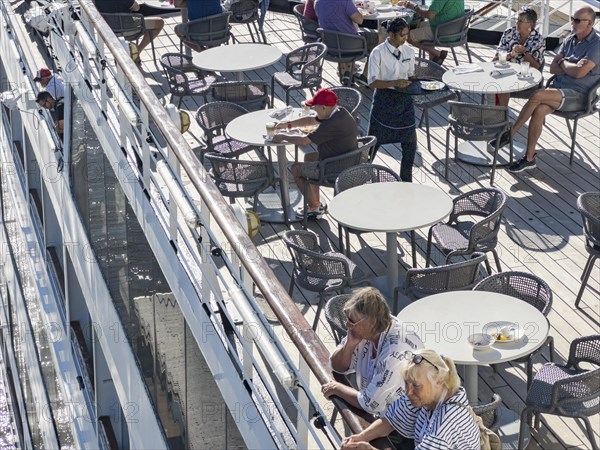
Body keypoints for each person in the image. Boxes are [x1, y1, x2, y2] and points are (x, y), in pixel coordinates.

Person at [491, 6, 600, 174]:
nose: (572, 22)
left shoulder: (596, 44)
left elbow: (579, 73)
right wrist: (567, 64)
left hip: (579, 95)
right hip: (558, 89)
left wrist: (563, 62)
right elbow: (553, 68)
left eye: (577, 20)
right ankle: (529, 158)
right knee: (540, 109)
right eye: (572, 18)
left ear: (590, 23)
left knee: (538, 94)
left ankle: (511, 133)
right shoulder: (570, 39)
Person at [341, 349, 480, 450]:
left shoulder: (444, 426)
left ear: (439, 381)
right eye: (406, 383)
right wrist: (360, 438)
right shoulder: (428, 396)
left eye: (416, 386)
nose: (408, 391)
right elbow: (390, 421)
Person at [321, 287, 423, 415]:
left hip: (402, 420)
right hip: (380, 410)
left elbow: (371, 403)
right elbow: (337, 366)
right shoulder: (367, 330)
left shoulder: (394, 353)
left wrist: (338, 389)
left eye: (352, 321)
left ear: (372, 321)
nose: (347, 325)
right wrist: (349, 345)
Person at [270, 88, 358, 219]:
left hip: (335, 166)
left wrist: (283, 136)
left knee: (296, 169)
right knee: (309, 157)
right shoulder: (339, 112)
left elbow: (305, 141)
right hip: (346, 158)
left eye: (315, 107)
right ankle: (316, 202)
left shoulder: (331, 124)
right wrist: (287, 125)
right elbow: (312, 120)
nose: (314, 110)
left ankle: (313, 207)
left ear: (323, 107)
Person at [367, 17, 416, 182]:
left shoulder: (409, 51)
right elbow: (372, 83)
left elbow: (411, 76)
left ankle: (406, 181)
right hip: (384, 101)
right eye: (402, 35)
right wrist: (394, 83)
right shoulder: (378, 52)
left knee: (410, 145)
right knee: (373, 144)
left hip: (405, 102)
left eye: (407, 35)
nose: (405, 38)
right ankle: (363, 174)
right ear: (390, 34)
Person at [314, 0, 380, 83]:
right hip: (351, 46)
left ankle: (347, 72)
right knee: (379, 37)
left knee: (343, 34)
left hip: (331, 47)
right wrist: (357, 11)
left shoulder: (317, 2)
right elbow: (360, 20)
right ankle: (365, 76)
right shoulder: (345, 1)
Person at [494, 7, 545, 106]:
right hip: (506, 74)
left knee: (503, 86)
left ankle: (500, 117)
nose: (516, 22)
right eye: (517, 19)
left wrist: (524, 52)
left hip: (526, 78)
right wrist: (511, 54)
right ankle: (496, 115)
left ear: (530, 24)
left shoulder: (538, 40)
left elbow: (537, 67)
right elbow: (496, 59)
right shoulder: (509, 32)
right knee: (496, 83)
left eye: (520, 21)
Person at [401, 0, 465, 65]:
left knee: (406, 36)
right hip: (457, 30)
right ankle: (433, 60)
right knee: (419, 25)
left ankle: (437, 53)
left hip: (444, 32)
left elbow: (430, 15)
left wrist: (414, 7)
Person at [95, 0, 164, 59]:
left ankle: (132, 52)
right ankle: (137, 52)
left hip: (108, 30)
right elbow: (136, 8)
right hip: (129, 29)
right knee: (160, 22)